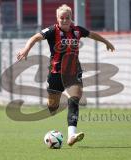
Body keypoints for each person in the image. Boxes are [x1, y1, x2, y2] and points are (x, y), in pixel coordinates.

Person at [17, 4, 115, 146]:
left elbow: (92, 34)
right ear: (57, 19)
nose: (64, 20)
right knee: (52, 107)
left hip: (73, 72)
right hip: (55, 73)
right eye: (61, 18)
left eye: (67, 18)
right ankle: (54, 106)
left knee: (74, 99)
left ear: (71, 18)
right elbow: (35, 37)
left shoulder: (77, 31)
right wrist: (26, 49)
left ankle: (71, 135)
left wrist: (106, 42)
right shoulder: (52, 31)